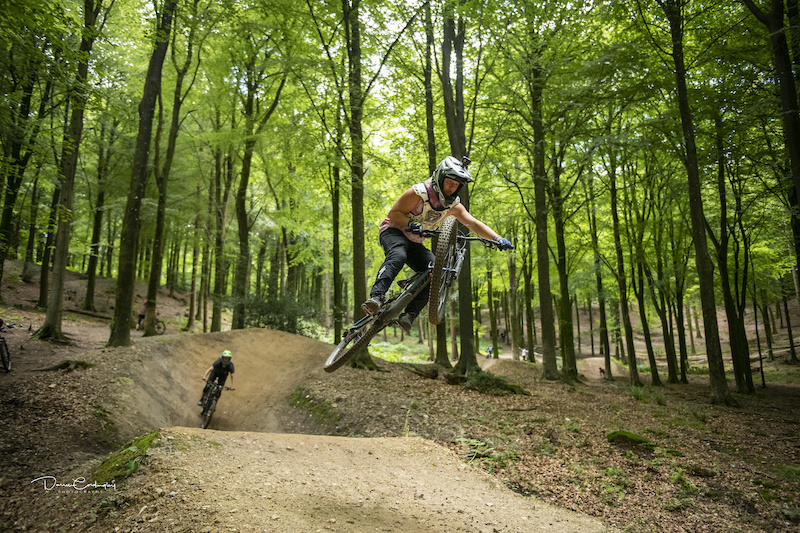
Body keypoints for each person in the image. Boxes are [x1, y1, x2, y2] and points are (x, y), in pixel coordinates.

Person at [362, 156, 513, 333]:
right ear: (440, 178)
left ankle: (409, 315)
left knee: (436, 272)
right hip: (394, 231)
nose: (452, 187)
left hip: (415, 242)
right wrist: (411, 224)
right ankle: (377, 297)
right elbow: (394, 214)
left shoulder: (454, 206)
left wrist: (497, 238)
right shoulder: (418, 193)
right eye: (449, 182)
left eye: (456, 185)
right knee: (399, 255)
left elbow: (474, 224)